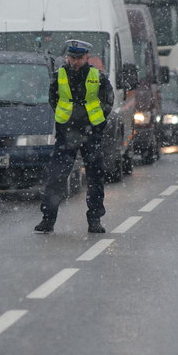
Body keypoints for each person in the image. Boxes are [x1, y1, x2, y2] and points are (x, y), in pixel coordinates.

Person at [35, 40, 114, 234]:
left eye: (79, 58)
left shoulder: (98, 76)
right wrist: (64, 120)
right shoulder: (59, 75)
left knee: (95, 177)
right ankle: (48, 219)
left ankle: (94, 220)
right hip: (66, 133)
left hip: (91, 133)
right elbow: (53, 98)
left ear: (87, 57)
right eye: (73, 57)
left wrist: (98, 122)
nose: (76, 61)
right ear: (67, 57)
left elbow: (108, 100)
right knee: (56, 177)